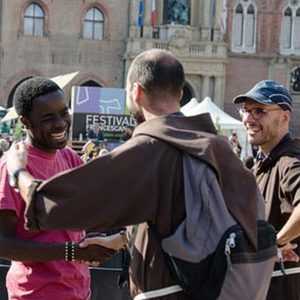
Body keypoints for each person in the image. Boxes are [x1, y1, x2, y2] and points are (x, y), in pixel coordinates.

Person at [7, 50, 266, 299]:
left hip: (172, 292)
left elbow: (53, 206)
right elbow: (184, 218)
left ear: (136, 91)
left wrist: (19, 171)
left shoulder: (148, 149)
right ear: (180, 92)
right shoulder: (218, 146)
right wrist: (121, 239)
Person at [0, 77, 121, 300]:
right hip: (35, 293)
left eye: (64, 113)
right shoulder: (12, 165)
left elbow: (82, 218)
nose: (61, 123)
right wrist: (72, 251)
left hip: (78, 290)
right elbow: (3, 244)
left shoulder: (70, 157)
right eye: (48, 118)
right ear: (26, 122)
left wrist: (96, 240)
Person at [233, 79, 300, 300]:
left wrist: (276, 244)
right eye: (246, 111)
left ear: (284, 117)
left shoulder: (290, 161)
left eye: (259, 111)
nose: (249, 118)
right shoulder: (263, 163)